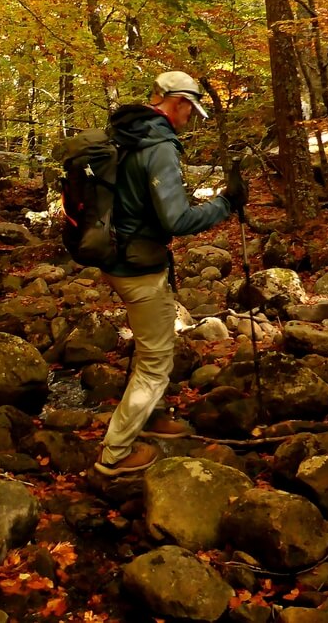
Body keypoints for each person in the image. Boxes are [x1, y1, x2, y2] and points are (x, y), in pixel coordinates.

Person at [93, 71, 248, 476]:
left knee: (151, 343)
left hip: (117, 256)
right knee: (156, 361)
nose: (190, 119)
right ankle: (116, 454)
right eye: (190, 110)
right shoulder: (157, 145)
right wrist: (225, 204)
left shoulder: (126, 132)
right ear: (176, 102)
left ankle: (152, 416)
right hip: (138, 266)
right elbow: (177, 219)